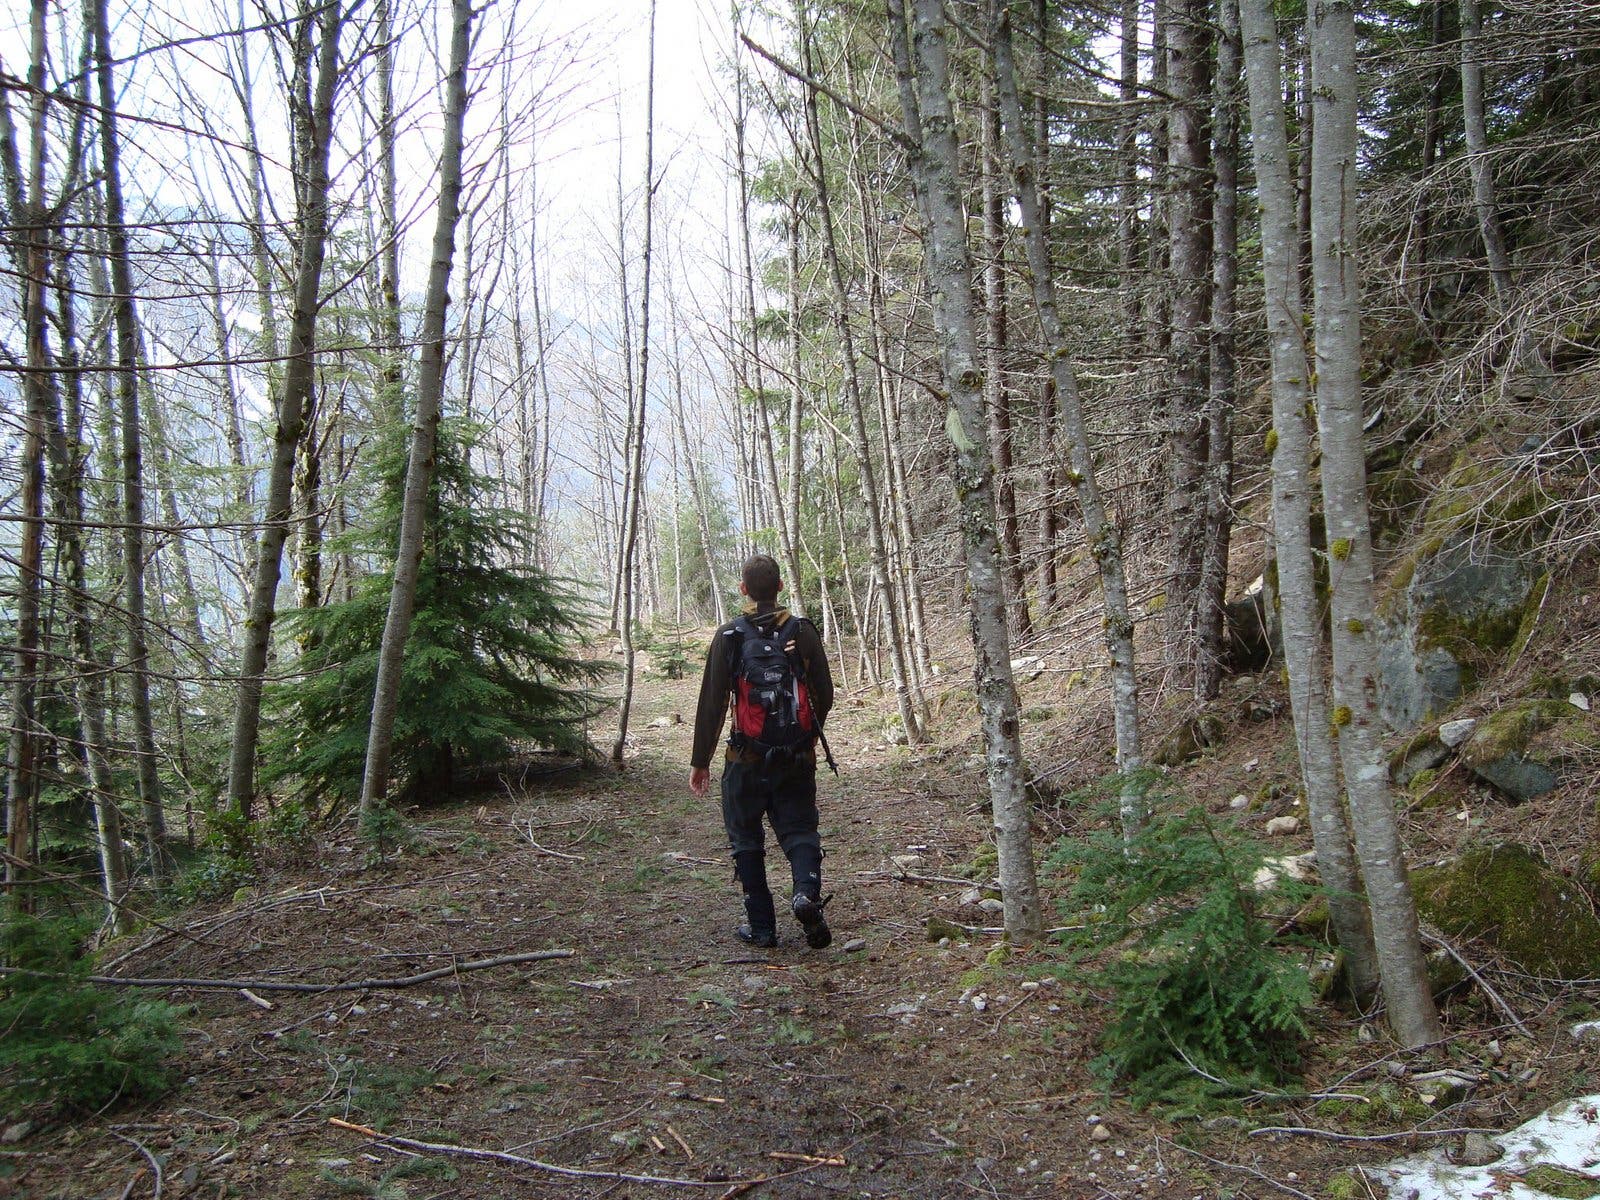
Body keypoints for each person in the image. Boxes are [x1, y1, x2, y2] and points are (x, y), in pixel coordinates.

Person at [689, 555, 835, 949]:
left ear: (743, 590)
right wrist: (803, 739)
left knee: (746, 840)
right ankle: (805, 894)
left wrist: (700, 761)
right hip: (795, 758)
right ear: (781, 588)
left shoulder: (729, 636)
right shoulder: (802, 630)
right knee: (800, 830)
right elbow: (825, 692)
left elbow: (713, 702)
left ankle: (763, 928)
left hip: (745, 759)